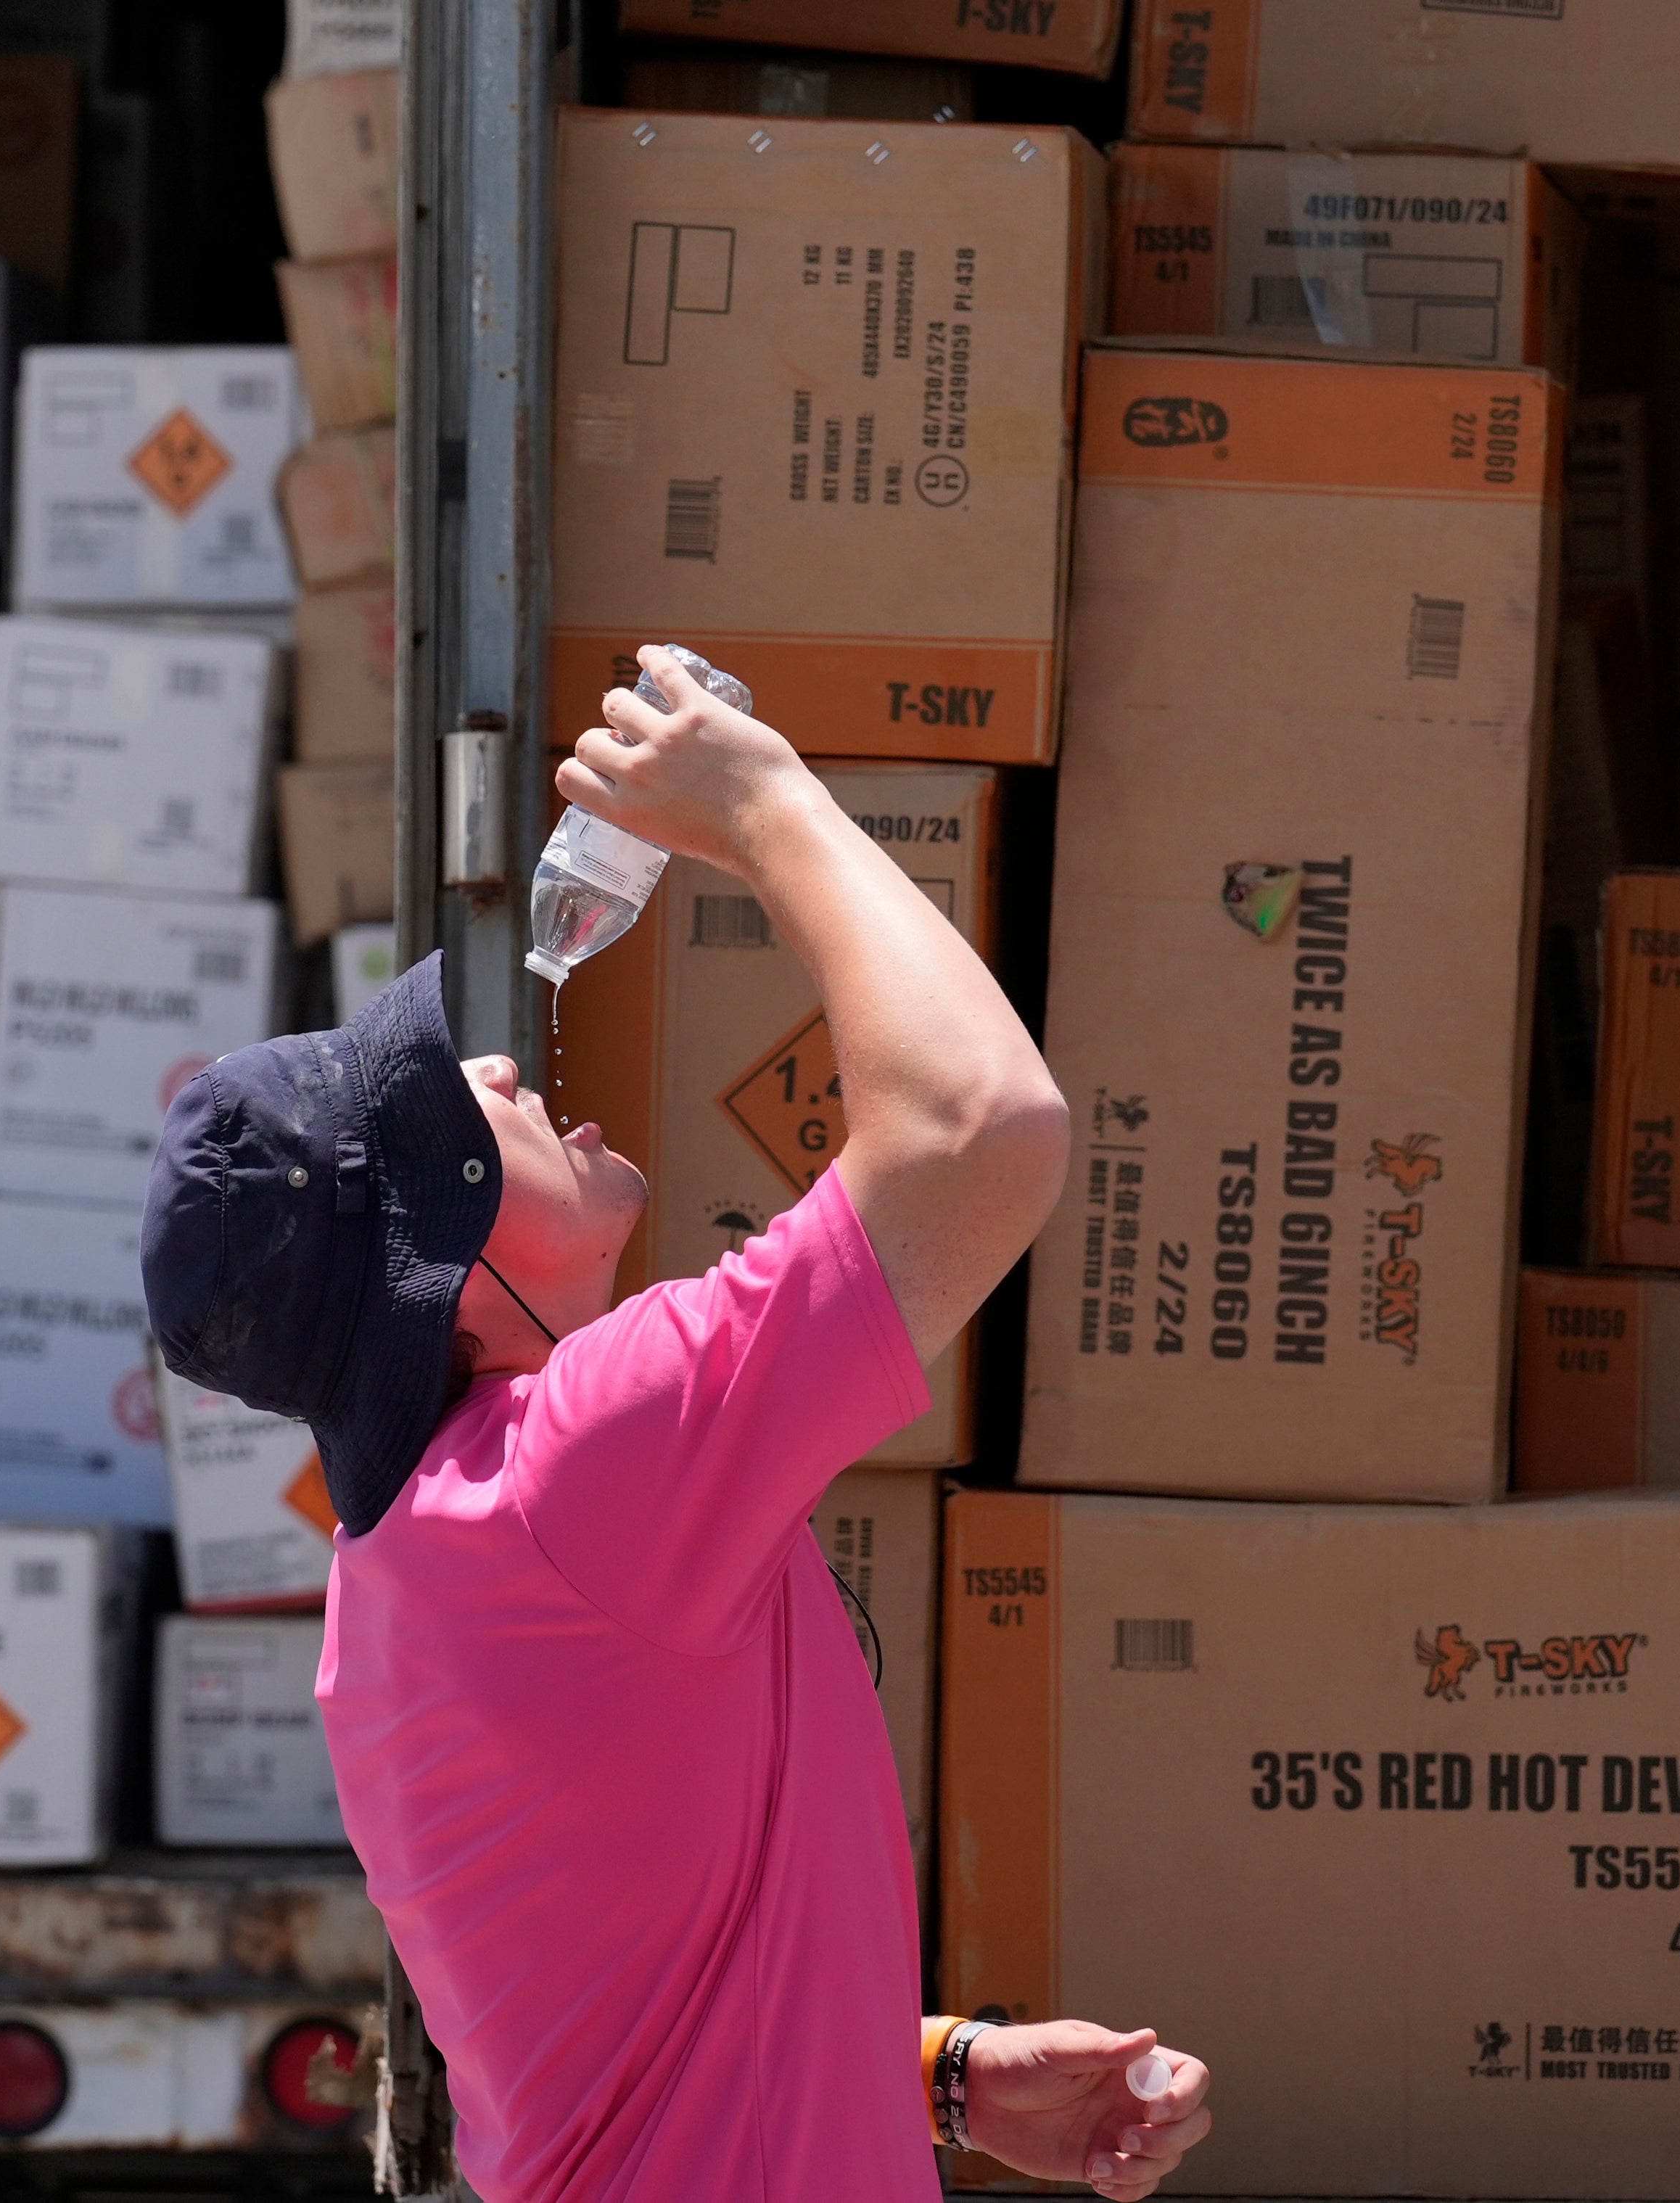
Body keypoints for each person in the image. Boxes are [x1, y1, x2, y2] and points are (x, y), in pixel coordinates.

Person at [142, 649, 1212, 2200]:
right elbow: (980, 1131)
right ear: (443, 1274)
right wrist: (763, 803)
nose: (502, 1067)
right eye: (456, 1104)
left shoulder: (440, 1551)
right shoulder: (570, 1479)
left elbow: (620, 2020)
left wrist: (930, 2076)